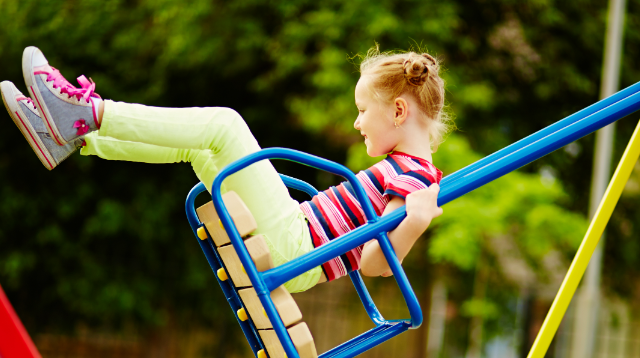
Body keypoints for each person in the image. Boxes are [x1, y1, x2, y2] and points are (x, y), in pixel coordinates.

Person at [2, 46, 445, 293]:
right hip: (299, 234)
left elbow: (374, 262)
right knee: (199, 148)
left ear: (400, 112)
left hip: (300, 244)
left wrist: (415, 223)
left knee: (223, 125)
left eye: (363, 110)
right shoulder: (405, 168)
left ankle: (89, 113)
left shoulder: (416, 178)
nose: (356, 122)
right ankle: (76, 137)